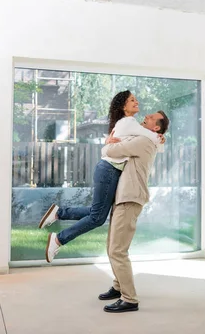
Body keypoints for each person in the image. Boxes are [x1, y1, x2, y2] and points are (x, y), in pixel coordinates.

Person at [38, 90, 165, 263]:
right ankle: (59, 239)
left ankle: (59, 213)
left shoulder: (129, 124)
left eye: (136, 99)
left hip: (109, 169)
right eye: (132, 100)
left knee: (96, 213)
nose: (137, 102)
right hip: (109, 169)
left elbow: (146, 138)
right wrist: (160, 138)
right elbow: (154, 139)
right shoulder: (129, 122)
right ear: (123, 107)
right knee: (97, 218)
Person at [98, 110, 170, 313]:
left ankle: (129, 299)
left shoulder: (144, 142)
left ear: (156, 127)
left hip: (130, 198)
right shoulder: (149, 139)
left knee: (117, 250)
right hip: (123, 197)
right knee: (112, 246)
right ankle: (118, 286)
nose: (145, 115)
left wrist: (108, 143)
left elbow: (112, 151)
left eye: (151, 117)